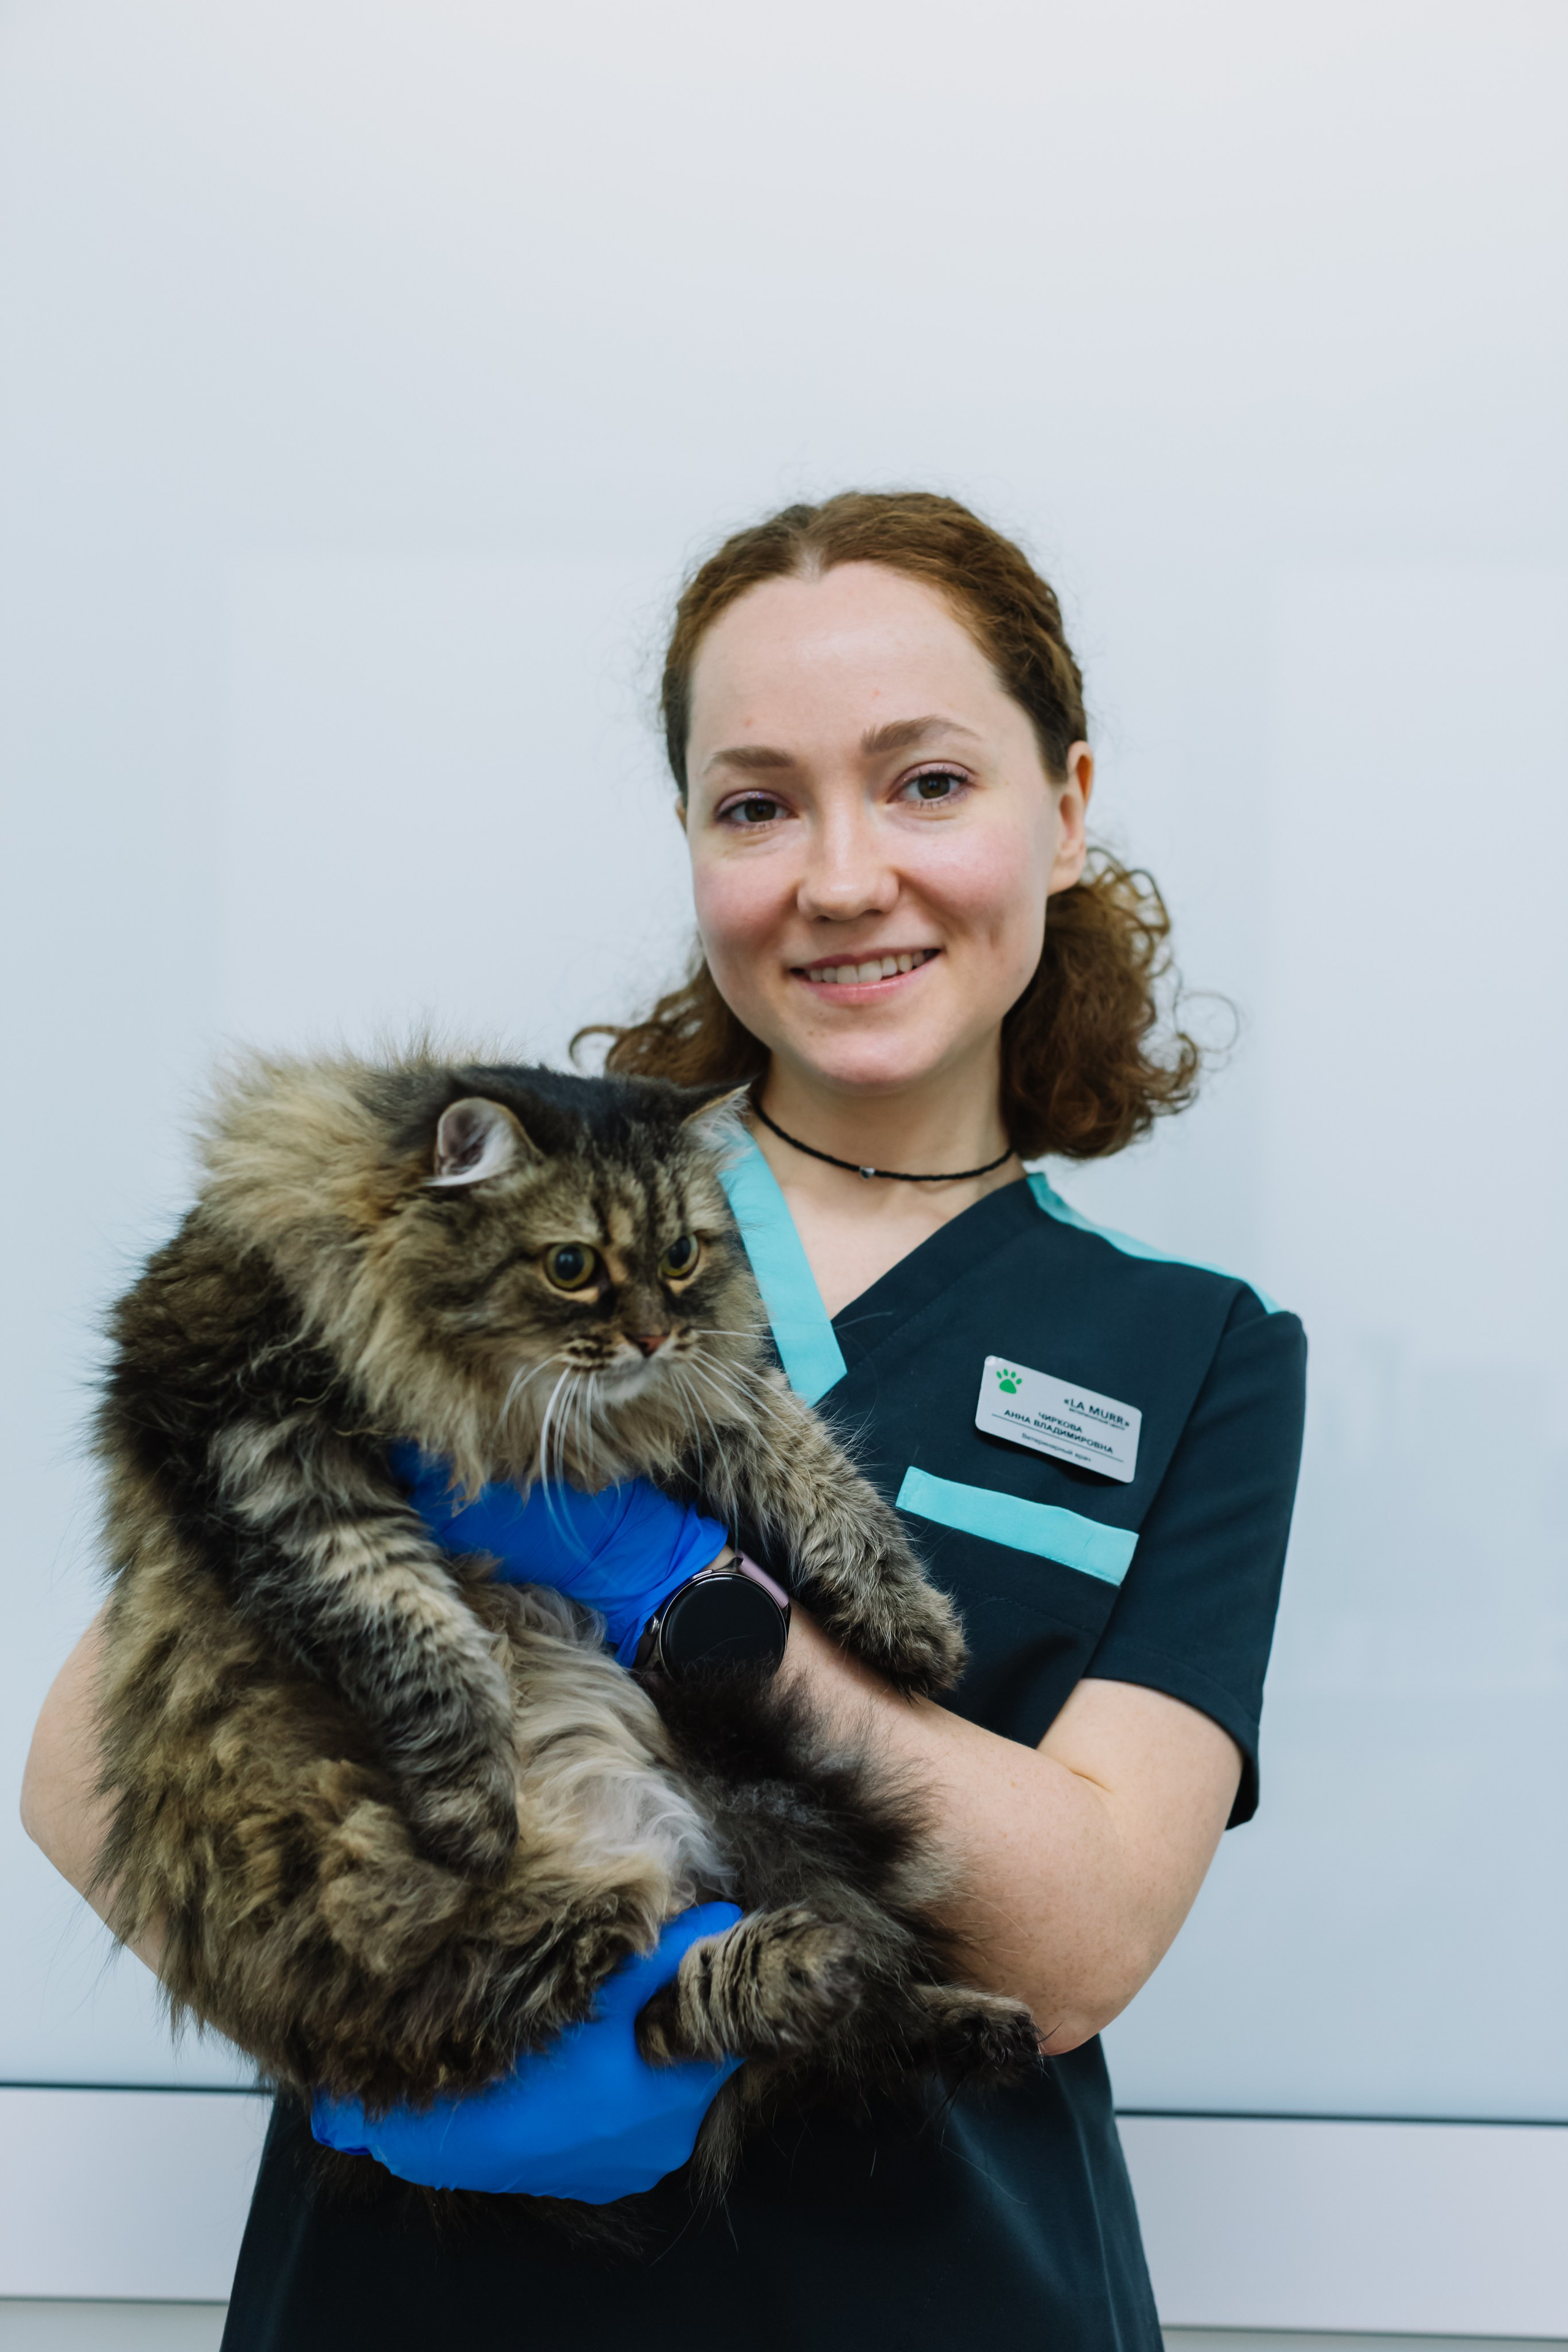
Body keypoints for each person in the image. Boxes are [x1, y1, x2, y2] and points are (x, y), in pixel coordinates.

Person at [21, 489, 1306, 2349]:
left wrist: (700, 1617)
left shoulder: (1195, 1351)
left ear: (1068, 803)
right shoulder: (478, 1229)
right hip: (416, 2284)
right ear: (697, 844)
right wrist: (378, 2039)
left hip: (936, 2297)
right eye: (758, 801)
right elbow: (88, 1763)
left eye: (927, 781)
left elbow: (1079, 1941)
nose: (844, 873)